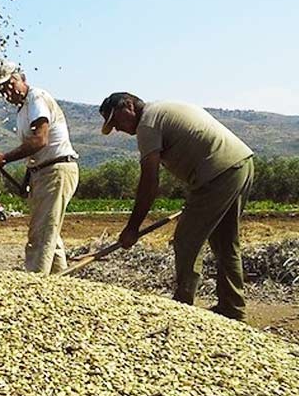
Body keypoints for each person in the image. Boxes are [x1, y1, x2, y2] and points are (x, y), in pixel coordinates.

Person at [99, 92, 254, 320]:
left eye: (117, 121)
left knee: (186, 238)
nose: (118, 129)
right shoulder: (159, 112)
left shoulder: (147, 124)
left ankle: (183, 305)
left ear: (130, 105)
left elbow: (149, 182)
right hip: (240, 163)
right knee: (225, 242)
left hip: (218, 172)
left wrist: (132, 228)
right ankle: (233, 308)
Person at [0, 61, 79, 274]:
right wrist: (26, 181)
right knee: (49, 233)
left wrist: (5, 158)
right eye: (2, 89)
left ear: (22, 79)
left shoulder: (35, 98)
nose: (8, 92)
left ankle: (34, 284)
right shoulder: (22, 112)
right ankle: (61, 283)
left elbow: (40, 141)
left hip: (56, 171)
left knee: (40, 235)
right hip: (42, 172)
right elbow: (34, 153)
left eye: (10, 84)